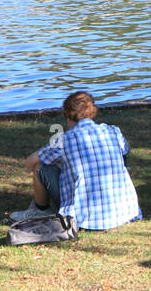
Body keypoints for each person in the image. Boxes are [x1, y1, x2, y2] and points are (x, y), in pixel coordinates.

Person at [10, 91, 141, 229]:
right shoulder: (113, 131)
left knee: (41, 167)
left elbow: (29, 162)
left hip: (82, 218)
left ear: (67, 115)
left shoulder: (63, 140)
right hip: (124, 213)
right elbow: (125, 151)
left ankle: (39, 209)